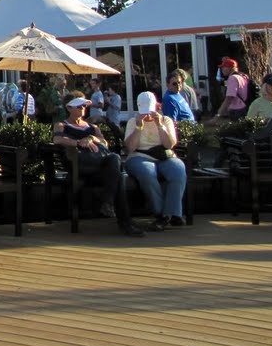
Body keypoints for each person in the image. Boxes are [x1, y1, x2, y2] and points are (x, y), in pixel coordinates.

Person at [53, 94, 144, 237]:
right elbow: (57, 139)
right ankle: (122, 219)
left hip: (99, 167)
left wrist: (91, 138)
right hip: (80, 166)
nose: (83, 108)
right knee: (115, 163)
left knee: (118, 174)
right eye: (79, 106)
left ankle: (116, 212)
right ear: (69, 107)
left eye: (84, 105)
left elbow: (104, 143)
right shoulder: (62, 125)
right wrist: (78, 142)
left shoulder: (93, 127)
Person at [124, 91, 188, 231]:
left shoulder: (166, 120)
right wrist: (139, 127)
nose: (147, 115)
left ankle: (171, 213)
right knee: (147, 172)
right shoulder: (132, 122)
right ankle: (160, 213)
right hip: (139, 156)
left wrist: (160, 126)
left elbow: (169, 144)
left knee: (178, 170)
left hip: (163, 156)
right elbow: (131, 147)